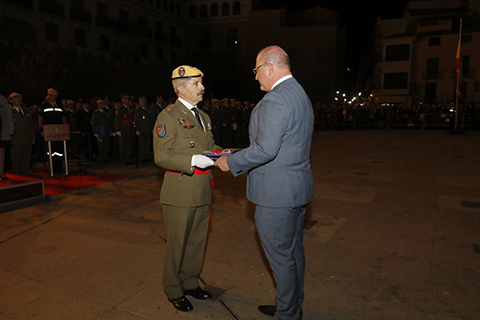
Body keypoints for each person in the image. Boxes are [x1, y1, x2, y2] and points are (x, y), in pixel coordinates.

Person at [215, 45, 314, 320]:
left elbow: (265, 150)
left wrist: (230, 162)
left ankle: (287, 315)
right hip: (296, 188)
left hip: (276, 195)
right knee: (293, 253)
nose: (256, 77)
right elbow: (281, 144)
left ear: (269, 67)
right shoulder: (298, 93)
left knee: (281, 258)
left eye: (257, 71)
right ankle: (291, 305)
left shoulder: (276, 99)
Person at [153, 65, 221, 313]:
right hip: (179, 192)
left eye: (202, 83)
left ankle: (190, 283)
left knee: (196, 242)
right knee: (177, 244)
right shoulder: (168, 117)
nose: (202, 88)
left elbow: (211, 146)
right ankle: (173, 288)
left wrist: (230, 156)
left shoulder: (204, 118)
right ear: (181, 88)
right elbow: (161, 155)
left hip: (202, 190)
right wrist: (192, 161)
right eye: (197, 84)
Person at [39, 88, 66, 173]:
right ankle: (52, 166)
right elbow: (40, 118)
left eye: (52, 95)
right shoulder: (44, 105)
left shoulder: (59, 105)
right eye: (49, 94)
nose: (50, 96)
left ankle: (59, 165)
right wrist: (41, 130)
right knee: (50, 149)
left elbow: (63, 117)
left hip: (58, 130)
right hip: (48, 130)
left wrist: (64, 128)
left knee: (59, 149)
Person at [9, 92, 35, 176]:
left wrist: (33, 137)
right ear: (11, 101)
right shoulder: (10, 112)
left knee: (26, 158)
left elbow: (31, 124)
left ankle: (26, 174)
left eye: (19, 97)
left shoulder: (27, 111)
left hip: (27, 138)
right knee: (16, 159)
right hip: (16, 139)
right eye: (16, 98)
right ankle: (17, 176)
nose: (18, 99)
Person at [115, 93, 134, 165]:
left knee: (128, 145)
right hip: (122, 129)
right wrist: (117, 129)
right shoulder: (120, 109)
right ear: (122, 100)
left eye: (128, 98)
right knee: (122, 145)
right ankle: (123, 159)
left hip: (128, 128)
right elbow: (117, 119)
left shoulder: (130, 108)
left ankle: (127, 159)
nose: (127, 100)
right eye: (125, 98)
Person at [0, 94, 15, 180]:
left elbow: (9, 113)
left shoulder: (2, 98)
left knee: (2, 150)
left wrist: (11, 127)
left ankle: (1, 172)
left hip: (2, 127)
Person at [134, 96, 152, 162]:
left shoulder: (148, 110)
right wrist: (137, 129)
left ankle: (146, 156)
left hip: (148, 130)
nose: (143, 103)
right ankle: (142, 157)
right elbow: (136, 120)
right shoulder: (138, 111)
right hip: (141, 130)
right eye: (142, 101)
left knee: (147, 144)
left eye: (144, 101)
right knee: (142, 144)